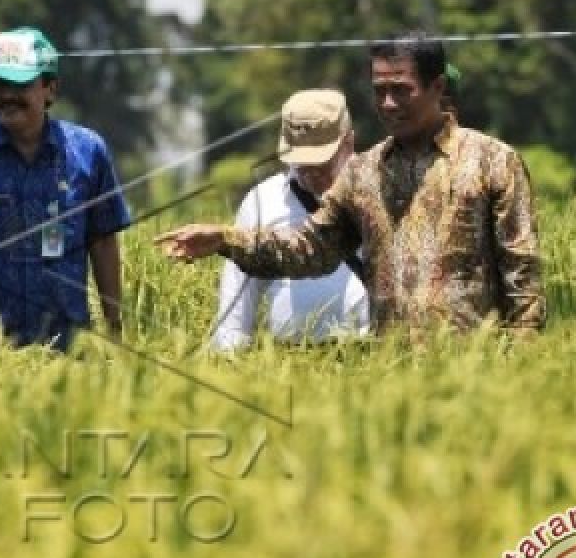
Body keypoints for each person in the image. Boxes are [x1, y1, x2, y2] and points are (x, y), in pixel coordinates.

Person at [158, 32, 545, 337]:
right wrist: (227, 240)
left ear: (438, 87)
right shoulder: (363, 173)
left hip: (477, 378)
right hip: (390, 380)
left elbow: (522, 273)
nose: (389, 103)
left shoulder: (492, 161)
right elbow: (310, 250)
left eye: (401, 89)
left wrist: (521, 365)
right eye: (380, 91)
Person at [0, 27, 131, 351]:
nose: (7, 95)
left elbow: (102, 243)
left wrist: (116, 333)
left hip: (68, 354)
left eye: (19, 84)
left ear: (49, 89)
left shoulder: (88, 153)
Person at [212, 89, 369, 351]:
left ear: (349, 143)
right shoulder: (263, 200)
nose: (311, 175)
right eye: (301, 163)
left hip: (374, 360)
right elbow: (235, 310)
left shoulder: (382, 193)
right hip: (290, 366)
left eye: (321, 163)